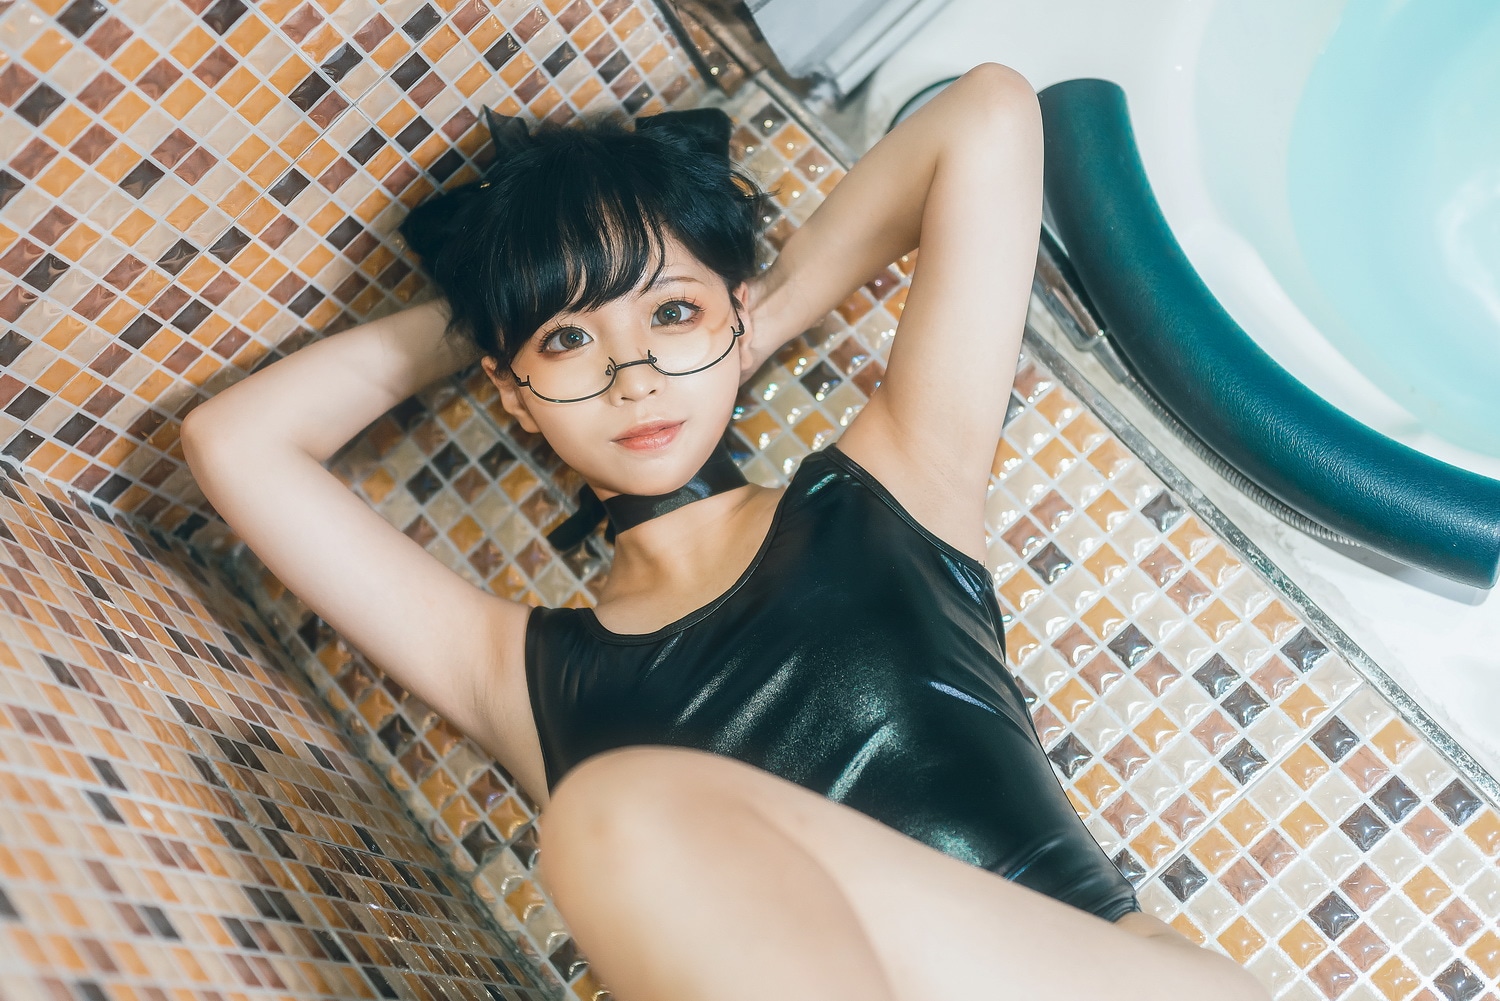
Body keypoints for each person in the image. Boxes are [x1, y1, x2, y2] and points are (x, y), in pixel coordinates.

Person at [183, 63, 1269, 1001]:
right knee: (611, 816)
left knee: (615, 809)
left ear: (732, 312)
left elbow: (987, 114)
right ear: (511, 391)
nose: (634, 374)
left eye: (671, 312)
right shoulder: (520, 678)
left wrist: (756, 323)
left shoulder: (896, 488)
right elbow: (234, 441)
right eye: (568, 339)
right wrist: (494, 307)